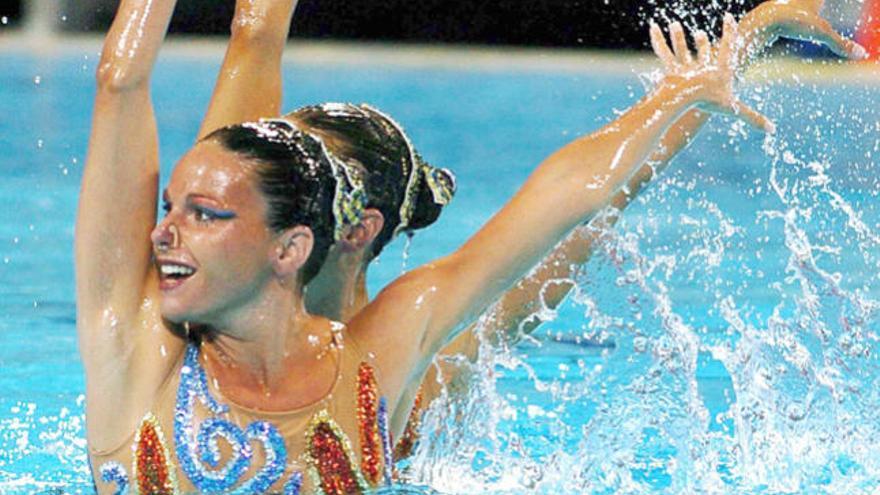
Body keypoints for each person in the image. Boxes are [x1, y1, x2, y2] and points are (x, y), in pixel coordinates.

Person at [76, 2, 850, 495]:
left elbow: (575, 203)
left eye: (206, 212)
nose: (165, 231)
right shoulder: (148, 347)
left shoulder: (405, 349)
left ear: (319, 233)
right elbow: (192, 57)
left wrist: (704, 80)